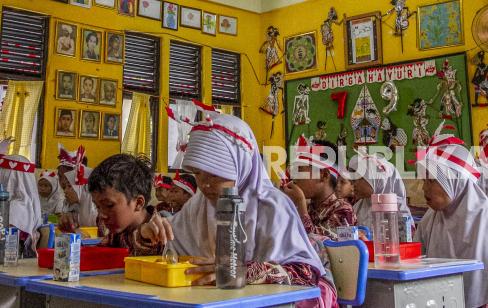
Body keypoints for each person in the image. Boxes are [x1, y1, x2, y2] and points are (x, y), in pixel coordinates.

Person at [140, 112, 336, 307]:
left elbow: (306, 273)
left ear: (242, 168)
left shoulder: (273, 207)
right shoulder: (198, 205)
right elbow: (171, 251)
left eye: (216, 175)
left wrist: (244, 271)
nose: (205, 185)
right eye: (198, 174)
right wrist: (149, 235)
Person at [414, 132, 488, 308]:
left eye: (433, 180)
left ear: (455, 180)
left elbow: (480, 286)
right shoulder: (431, 218)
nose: (424, 187)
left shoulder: (481, 218)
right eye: (423, 180)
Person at [87, 154, 162, 256]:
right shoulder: (109, 226)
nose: (101, 215)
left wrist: (141, 236)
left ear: (138, 203)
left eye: (109, 205)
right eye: (97, 206)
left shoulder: (159, 233)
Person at [282, 139, 355, 239]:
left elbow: (319, 247)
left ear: (324, 175)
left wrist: (301, 206)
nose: (294, 180)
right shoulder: (309, 208)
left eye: (300, 171)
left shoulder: (343, 210)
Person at [349, 149, 412, 237]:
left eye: (359, 178)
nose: (354, 185)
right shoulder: (357, 208)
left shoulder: (399, 210)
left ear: (378, 180)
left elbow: (407, 243)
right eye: (353, 180)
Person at [56, 145, 98, 229]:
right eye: (60, 177)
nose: (63, 182)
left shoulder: (96, 214)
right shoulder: (69, 199)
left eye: (69, 182)